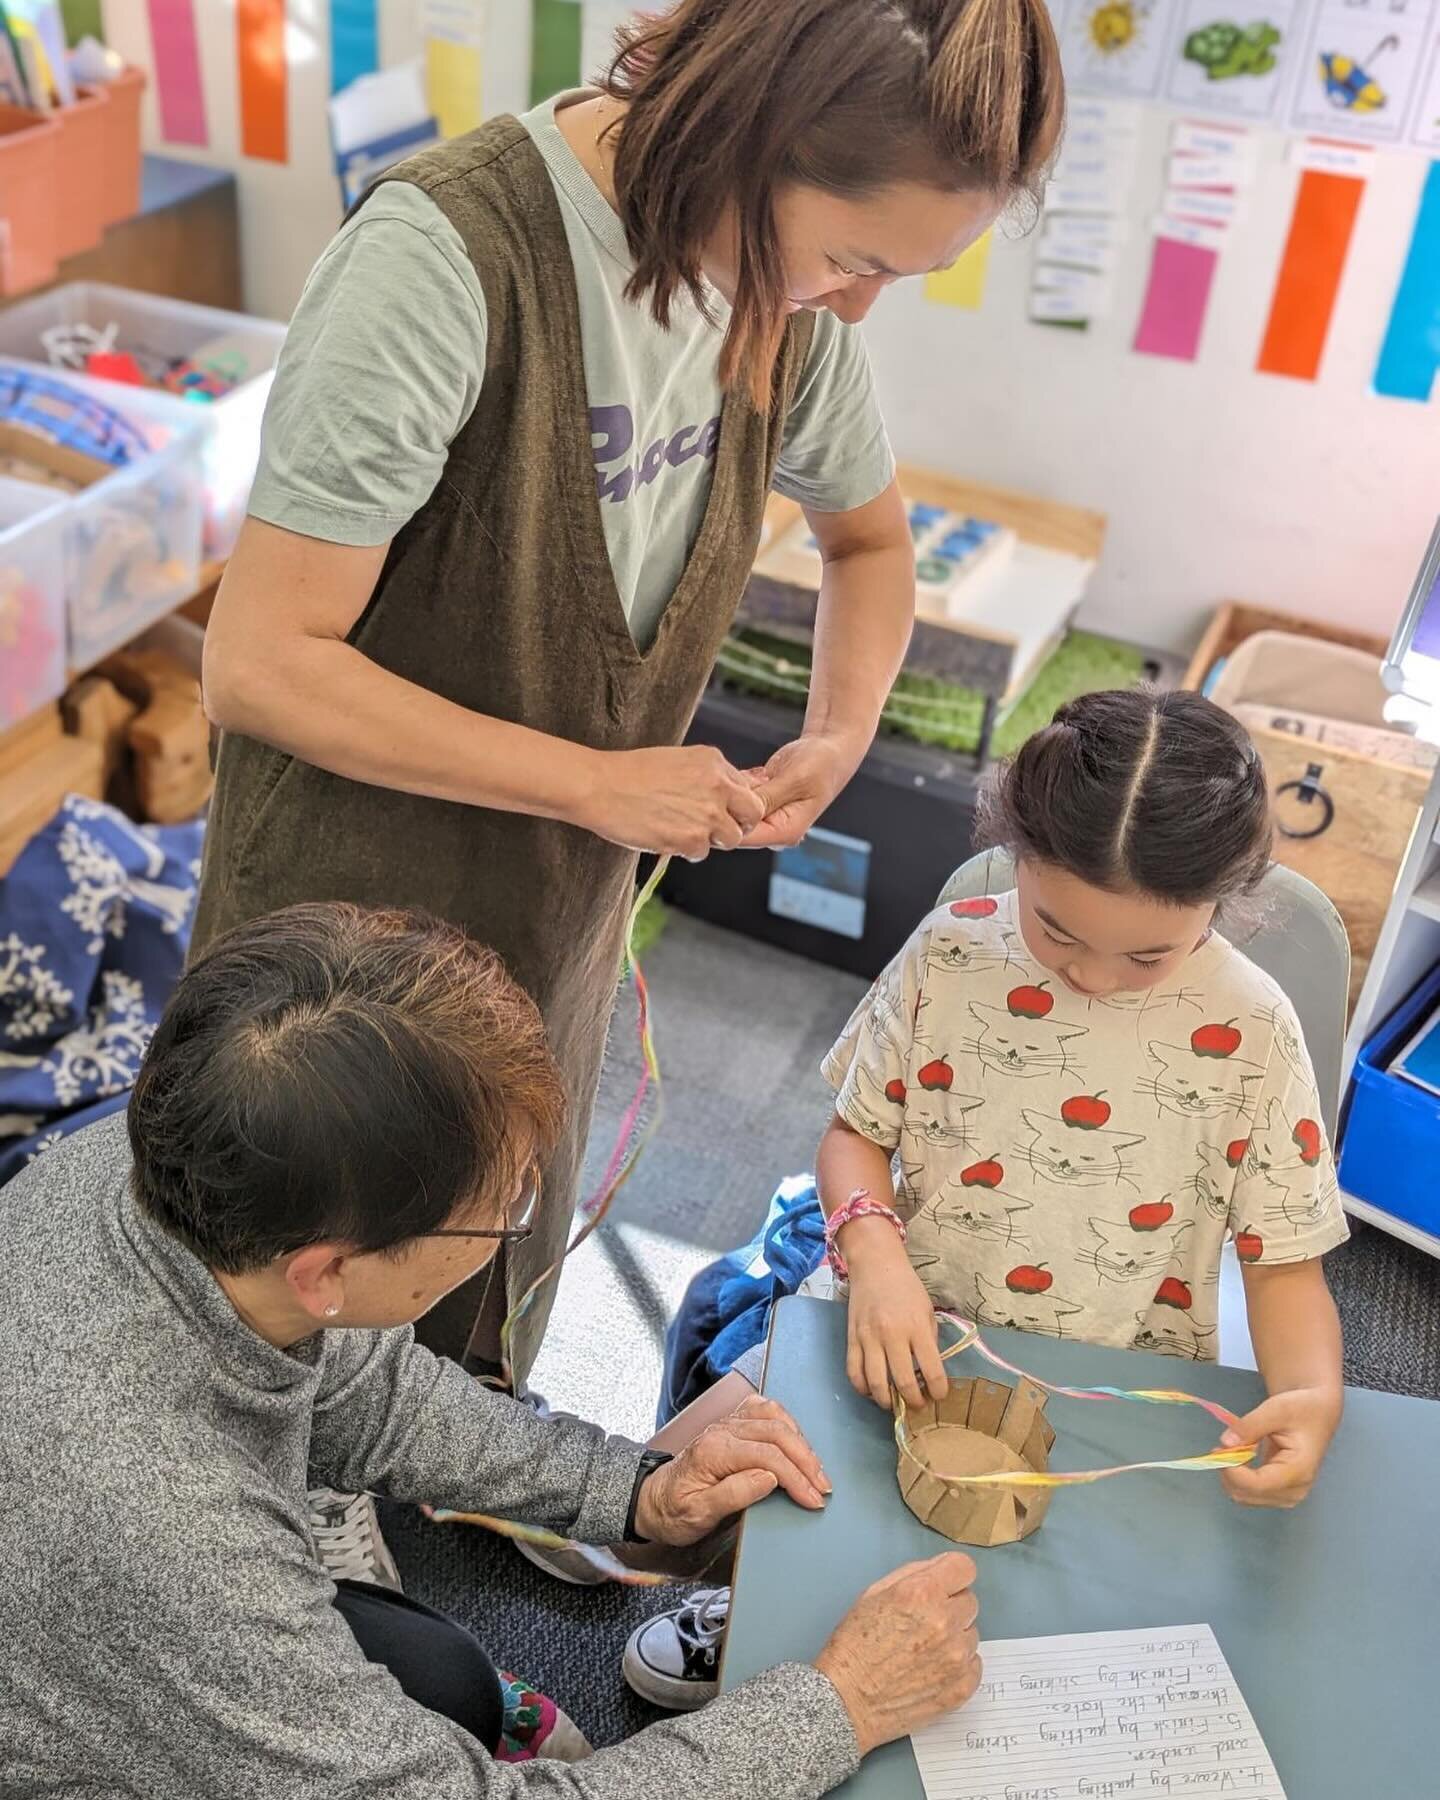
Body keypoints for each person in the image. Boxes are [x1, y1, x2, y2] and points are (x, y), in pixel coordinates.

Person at [192, 0, 1063, 1575]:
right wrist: (594, 779)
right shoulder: (447, 260)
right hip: (347, 898)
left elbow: (871, 545)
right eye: (855, 259)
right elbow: (259, 663)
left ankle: (476, 1474)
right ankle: (304, 1535)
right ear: (738, 141)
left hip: (560, 887)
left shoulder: (775, 302)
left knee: (494, 1219)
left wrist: (839, 734)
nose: (856, 311)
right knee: (324, 1253)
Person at [0, 902, 983, 1796]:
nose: (509, 1227)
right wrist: (837, 1708)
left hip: (107, 1621)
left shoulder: (157, 1170)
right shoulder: (180, 1548)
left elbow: (361, 1390)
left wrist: (635, 1490)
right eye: (497, 1218)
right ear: (328, 1274)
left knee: (443, 1676)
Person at [622, 690, 1349, 1707]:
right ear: (1014, 854)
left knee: (1058, 1598)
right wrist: (872, 1259)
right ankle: (754, 1621)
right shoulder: (953, 949)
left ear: (1223, 902)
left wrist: (1312, 1396)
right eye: (1055, 929)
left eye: (1146, 955)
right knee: (675, 1495)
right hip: (892, 1335)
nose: (1093, 976)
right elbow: (855, 1138)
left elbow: (1285, 1265)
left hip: (1107, 1379)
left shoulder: (1255, 1031)